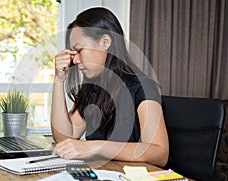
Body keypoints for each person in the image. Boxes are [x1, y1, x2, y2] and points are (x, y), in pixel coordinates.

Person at [51, 7, 169, 167]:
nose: (76, 61)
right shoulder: (91, 88)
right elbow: (65, 138)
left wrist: (96, 147)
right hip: (103, 177)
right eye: (73, 54)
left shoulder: (142, 87)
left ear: (105, 42)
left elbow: (160, 154)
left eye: (79, 50)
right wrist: (58, 80)